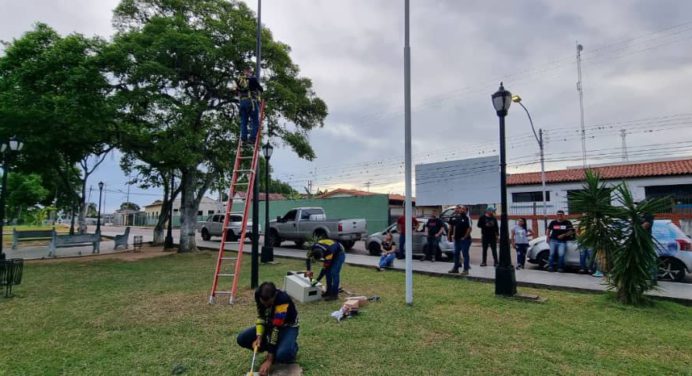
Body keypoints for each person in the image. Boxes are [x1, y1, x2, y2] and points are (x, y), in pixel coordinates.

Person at [237, 282, 299, 376]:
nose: (266, 306)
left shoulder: (282, 300)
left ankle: (291, 347)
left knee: (283, 354)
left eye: (269, 304)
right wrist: (259, 337)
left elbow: (275, 329)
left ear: (274, 296)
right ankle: (275, 348)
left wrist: (269, 359)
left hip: (288, 326)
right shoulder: (259, 295)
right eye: (264, 304)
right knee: (242, 338)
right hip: (270, 323)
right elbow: (261, 316)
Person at [235, 66, 263, 144]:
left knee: (244, 121)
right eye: (250, 72)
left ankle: (244, 138)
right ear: (249, 72)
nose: (251, 73)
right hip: (251, 102)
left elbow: (236, 92)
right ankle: (252, 138)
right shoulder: (252, 79)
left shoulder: (239, 81)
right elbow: (261, 89)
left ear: (244, 72)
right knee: (255, 121)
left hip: (242, 103)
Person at [448, 205, 472, 275]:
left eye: (463, 209)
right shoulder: (457, 217)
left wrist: (464, 237)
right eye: (460, 209)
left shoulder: (467, 218)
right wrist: (452, 236)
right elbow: (454, 227)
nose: (461, 210)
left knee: (465, 255)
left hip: (465, 240)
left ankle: (466, 270)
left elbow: (469, 228)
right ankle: (455, 269)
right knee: (456, 254)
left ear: (466, 210)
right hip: (457, 239)